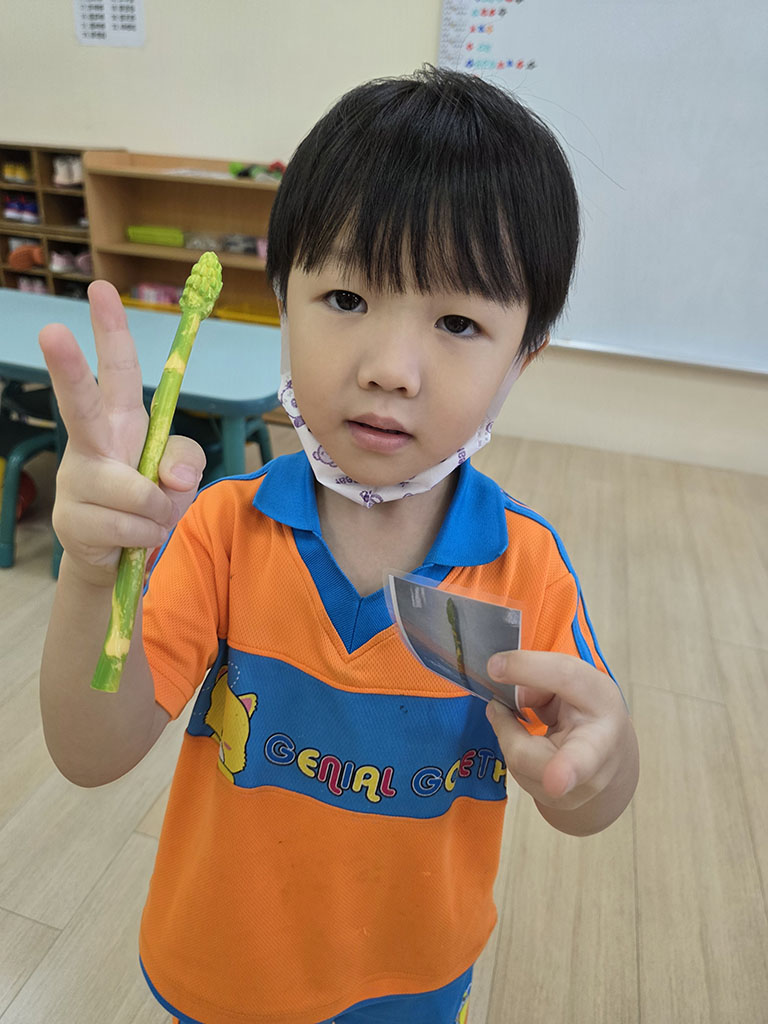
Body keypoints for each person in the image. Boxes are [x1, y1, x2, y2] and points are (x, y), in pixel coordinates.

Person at [38, 65, 639, 1024]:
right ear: (284, 303)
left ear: (521, 359)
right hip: (219, 971)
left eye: (458, 322)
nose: (390, 369)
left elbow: (584, 792)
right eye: (348, 299)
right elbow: (89, 752)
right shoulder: (223, 533)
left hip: (412, 984)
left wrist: (600, 765)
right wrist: (90, 572)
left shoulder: (525, 566)